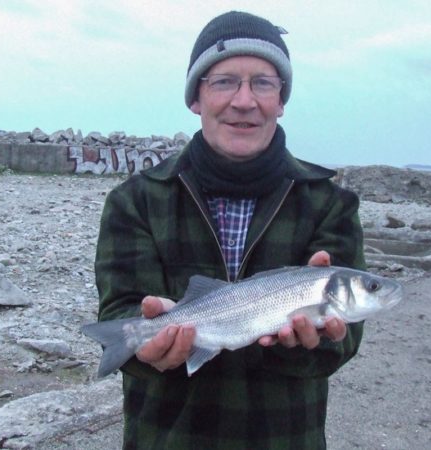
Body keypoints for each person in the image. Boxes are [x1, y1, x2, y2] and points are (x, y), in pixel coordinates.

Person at [95, 10, 365, 449]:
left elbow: (345, 337)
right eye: (223, 81)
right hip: (168, 438)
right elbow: (120, 312)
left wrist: (307, 342)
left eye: (263, 82)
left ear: (281, 100)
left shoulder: (330, 203)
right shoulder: (136, 200)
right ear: (196, 98)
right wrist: (147, 348)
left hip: (285, 438)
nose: (244, 100)